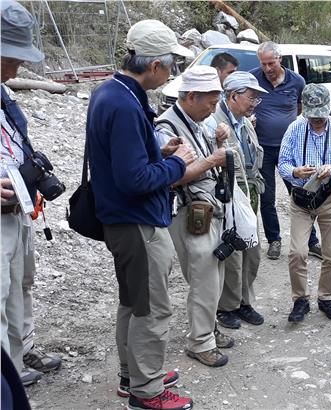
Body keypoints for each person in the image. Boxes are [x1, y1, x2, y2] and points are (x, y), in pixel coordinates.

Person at [87, 19, 196, 410]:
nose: (171, 75)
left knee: (133, 301)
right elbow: (134, 180)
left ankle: (131, 375)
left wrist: (157, 155)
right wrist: (177, 165)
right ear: (154, 65)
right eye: (171, 67)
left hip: (122, 219)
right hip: (136, 222)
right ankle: (146, 391)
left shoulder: (111, 92)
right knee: (151, 307)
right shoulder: (123, 102)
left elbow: (125, 163)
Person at [1, 0, 62, 387]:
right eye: (10, 56)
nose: (17, 67)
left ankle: (18, 356)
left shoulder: (4, 93)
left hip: (16, 209)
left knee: (20, 284)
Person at [156, 66, 233, 369]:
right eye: (211, 102)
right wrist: (213, 160)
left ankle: (209, 329)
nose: (214, 109)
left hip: (209, 207)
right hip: (189, 212)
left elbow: (207, 147)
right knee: (203, 277)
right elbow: (171, 178)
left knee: (215, 273)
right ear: (190, 96)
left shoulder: (203, 119)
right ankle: (200, 342)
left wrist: (219, 139)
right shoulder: (165, 128)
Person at [278, 84, 331, 323]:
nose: (317, 121)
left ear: (328, 109)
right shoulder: (294, 129)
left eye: (321, 116)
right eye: (312, 116)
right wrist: (295, 172)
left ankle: (325, 297)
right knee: (297, 252)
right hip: (301, 199)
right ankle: (300, 299)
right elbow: (282, 163)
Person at [204, 71, 266, 329]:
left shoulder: (245, 121)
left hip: (249, 192)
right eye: (251, 97)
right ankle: (227, 306)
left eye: (256, 99)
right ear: (233, 96)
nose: (254, 103)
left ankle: (245, 301)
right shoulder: (212, 123)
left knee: (252, 250)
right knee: (232, 251)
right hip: (229, 193)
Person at [251, 41, 320, 260]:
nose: (268, 68)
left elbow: (300, 108)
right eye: (263, 64)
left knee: (300, 192)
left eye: (271, 63)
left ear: (280, 59)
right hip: (262, 149)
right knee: (267, 198)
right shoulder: (253, 78)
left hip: (289, 149)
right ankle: (274, 240)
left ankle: (311, 241)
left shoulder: (297, 81)